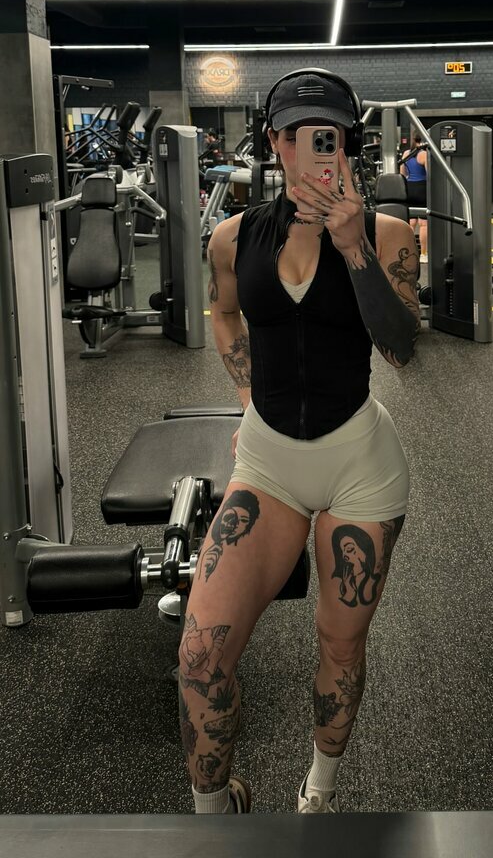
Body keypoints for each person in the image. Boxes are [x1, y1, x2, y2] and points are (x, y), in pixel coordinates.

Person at [179, 70, 420, 815]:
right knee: (200, 658)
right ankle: (214, 815)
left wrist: (353, 248)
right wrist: (249, 397)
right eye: (300, 135)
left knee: (340, 647)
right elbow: (224, 314)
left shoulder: (388, 236)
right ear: (276, 143)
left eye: (332, 136)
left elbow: (403, 350)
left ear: (348, 145)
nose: (317, 149)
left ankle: (319, 793)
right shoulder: (232, 237)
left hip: (360, 464)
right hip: (269, 463)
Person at [399, 133, 428, 262]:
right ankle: (423, 254)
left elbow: (402, 173)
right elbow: (429, 174)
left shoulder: (406, 154)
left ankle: (408, 252)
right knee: (423, 224)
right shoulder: (424, 154)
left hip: (409, 188)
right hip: (422, 188)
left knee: (410, 223)